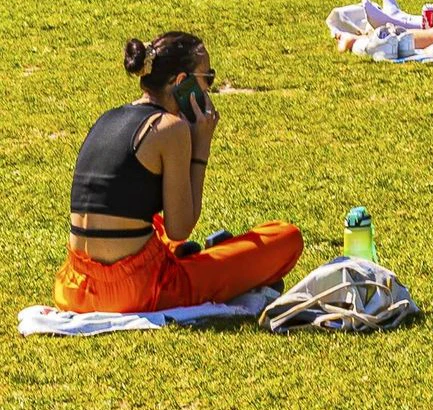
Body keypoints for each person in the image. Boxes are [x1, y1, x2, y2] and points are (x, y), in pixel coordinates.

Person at [54, 31, 302, 314]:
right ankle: (201, 258)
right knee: (286, 238)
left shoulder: (107, 118)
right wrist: (201, 147)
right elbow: (181, 227)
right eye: (207, 78)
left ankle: (189, 257)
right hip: (138, 290)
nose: (209, 88)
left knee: (155, 226)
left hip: (73, 288)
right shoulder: (170, 128)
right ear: (182, 82)